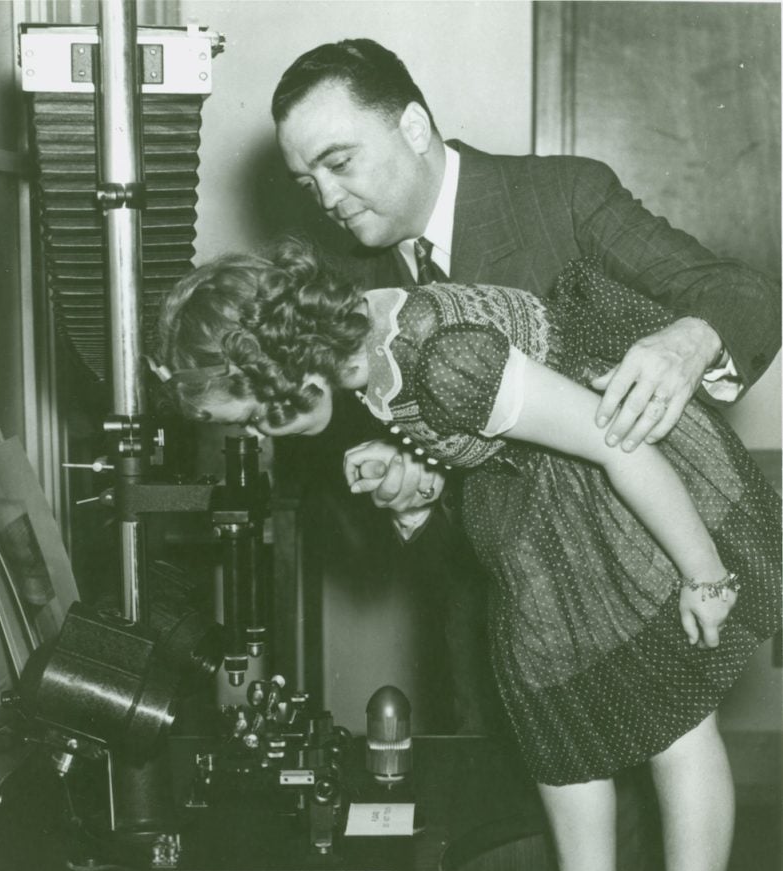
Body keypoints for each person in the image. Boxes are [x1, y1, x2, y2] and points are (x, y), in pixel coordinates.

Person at [149, 239, 781, 871]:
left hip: (624, 504)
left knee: (677, 730)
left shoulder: (438, 357)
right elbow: (479, 435)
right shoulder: (367, 349)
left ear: (281, 378)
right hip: (541, 525)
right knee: (560, 727)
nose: (263, 438)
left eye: (248, 419)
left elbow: (621, 442)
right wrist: (416, 476)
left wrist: (704, 575)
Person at [268, 38, 781, 734]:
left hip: (632, 610)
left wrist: (688, 341)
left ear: (413, 128)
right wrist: (408, 477)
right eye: (307, 182)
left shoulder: (562, 196)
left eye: (338, 163)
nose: (326, 198)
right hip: (484, 636)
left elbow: (742, 293)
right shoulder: (342, 278)